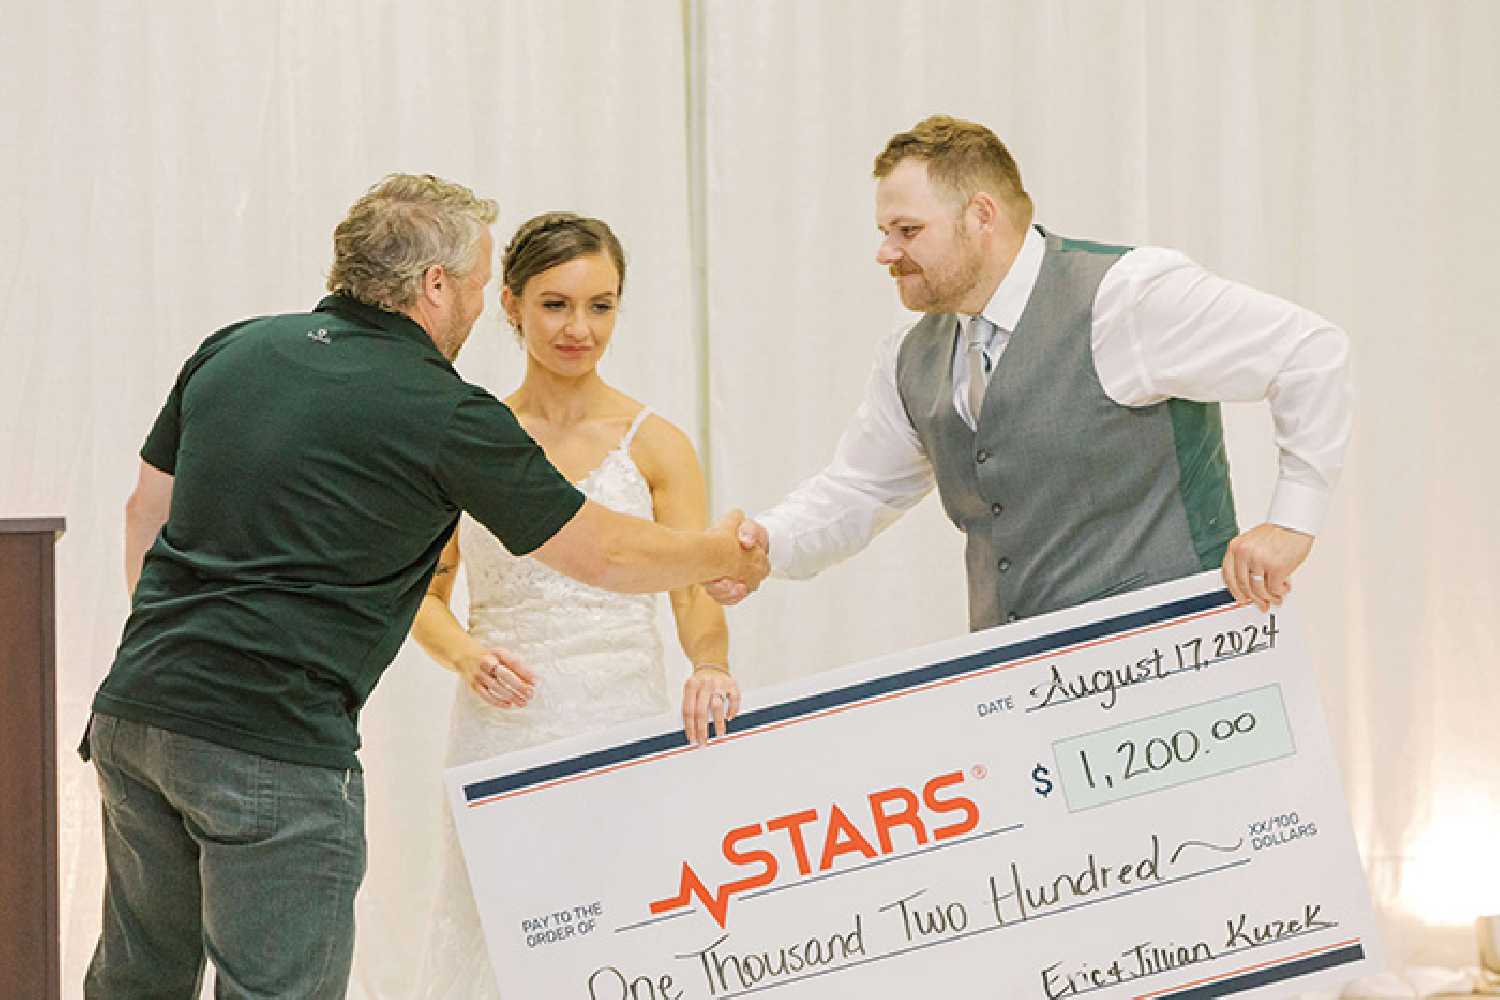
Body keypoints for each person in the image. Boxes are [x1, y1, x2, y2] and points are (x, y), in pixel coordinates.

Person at [81, 175, 766, 1000]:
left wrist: (175, 645)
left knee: (136, 985)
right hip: (273, 743)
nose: (482, 304)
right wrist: (726, 552)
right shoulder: (449, 413)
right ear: (438, 285)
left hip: (137, 713)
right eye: (482, 283)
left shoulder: (233, 347)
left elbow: (143, 510)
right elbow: (603, 556)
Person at [710, 115, 1351, 628]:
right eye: (884, 230)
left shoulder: (1124, 296)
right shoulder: (910, 356)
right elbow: (860, 490)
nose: (885, 252)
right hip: (1018, 693)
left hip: (1174, 668)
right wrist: (765, 543)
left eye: (907, 230)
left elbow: (1309, 349)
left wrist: (1293, 522)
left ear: (981, 216)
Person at [411, 212, 739, 998]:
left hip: (624, 715)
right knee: (499, 929)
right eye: (556, 304)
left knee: (625, 925)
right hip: (501, 722)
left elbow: (689, 580)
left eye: (602, 305)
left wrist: (712, 663)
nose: (579, 328)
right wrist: (465, 655)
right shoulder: (469, 434)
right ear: (512, 305)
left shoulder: (656, 443)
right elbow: (421, 594)